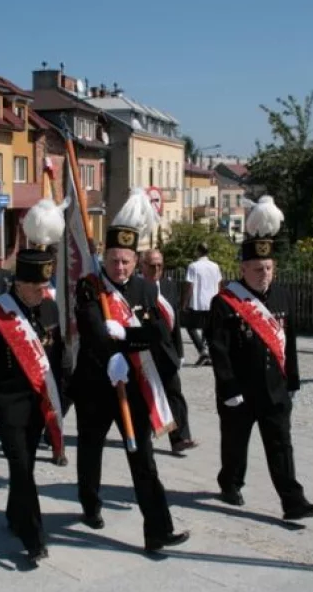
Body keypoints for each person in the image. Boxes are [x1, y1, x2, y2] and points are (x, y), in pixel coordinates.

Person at [70, 187, 190, 554]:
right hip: (95, 384)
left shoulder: (145, 289)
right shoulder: (89, 288)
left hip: (132, 386)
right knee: (90, 451)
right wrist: (113, 349)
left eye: (125, 261)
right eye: (112, 260)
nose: (118, 267)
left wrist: (127, 342)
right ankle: (90, 504)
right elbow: (93, 331)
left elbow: (156, 333)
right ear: (103, 258)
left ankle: (157, 529)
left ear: (135, 262)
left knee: (144, 459)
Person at [207, 196, 313, 521]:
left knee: (281, 446)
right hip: (240, 391)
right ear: (243, 269)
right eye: (257, 269)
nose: (264, 274)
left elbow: (291, 342)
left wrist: (294, 380)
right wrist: (228, 388)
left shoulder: (284, 296)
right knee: (235, 444)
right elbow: (219, 348)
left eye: (269, 268)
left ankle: (293, 501)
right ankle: (230, 482)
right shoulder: (227, 302)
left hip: (274, 388)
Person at [0, 199, 66, 566]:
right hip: (8, 406)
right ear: (20, 284)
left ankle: (13, 514)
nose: (44, 293)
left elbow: (56, 359)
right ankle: (34, 538)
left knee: (23, 469)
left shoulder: (49, 308)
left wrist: (60, 401)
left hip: (39, 405)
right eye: (38, 287)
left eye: (46, 286)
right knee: (23, 469)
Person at [140, 249, 197, 454]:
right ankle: (141, 434)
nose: (156, 269)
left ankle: (180, 438)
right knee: (144, 397)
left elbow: (175, 321)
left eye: (160, 265)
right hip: (145, 352)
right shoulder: (136, 288)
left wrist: (180, 352)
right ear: (142, 266)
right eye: (152, 265)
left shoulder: (169, 286)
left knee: (175, 394)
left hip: (168, 351)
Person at [182, 243, 222, 365]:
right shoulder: (215, 266)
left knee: (191, 327)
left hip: (198, 302)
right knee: (208, 328)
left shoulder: (193, 266)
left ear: (198, 251)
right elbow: (219, 283)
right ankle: (208, 353)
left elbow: (190, 285)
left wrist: (184, 302)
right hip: (212, 301)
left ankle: (203, 351)